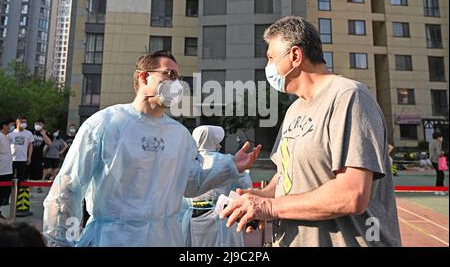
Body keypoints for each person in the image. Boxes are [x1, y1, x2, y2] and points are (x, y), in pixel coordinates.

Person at [43, 50, 261, 247]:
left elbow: (190, 183)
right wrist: (62, 241)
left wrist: (230, 165)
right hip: (114, 239)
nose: (176, 83)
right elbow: (68, 187)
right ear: (144, 76)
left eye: (179, 78)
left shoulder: (180, 135)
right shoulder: (105, 124)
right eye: (169, 74)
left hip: (166, 238)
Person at [220, 16, 401, 247]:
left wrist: (270, 207)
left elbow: (352, 194)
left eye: (271, 58)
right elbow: (287, 176)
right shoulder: (295, 109)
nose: (268, 67)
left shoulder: (349, 97)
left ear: (295, 56)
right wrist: (259, 197)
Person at [183, 125, 253, 247]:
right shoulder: (225, 160)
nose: (220, 144)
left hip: (192, 217)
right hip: (220, 218)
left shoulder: (189, 161)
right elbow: (244, 185)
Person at [8, 116, 34, 182]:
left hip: (23, 159)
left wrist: (29, 157)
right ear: (17, 123)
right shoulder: (11, 134)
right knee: (10, 177)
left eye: (25, 122)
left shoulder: (29, 133)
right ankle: (10, 191)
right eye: (22, 122)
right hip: (12, 159)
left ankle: (20, 191)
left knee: (22, 178)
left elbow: (30, 145)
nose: (24, 124)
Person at [30, 119, 52, 188]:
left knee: (36, 176)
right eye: (36, 124)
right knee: (28, 175)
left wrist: (44, 134)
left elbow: (49, 143)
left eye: (40, 124)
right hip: (29, 156)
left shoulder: (45, 133)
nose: (38, 125)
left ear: (43, 125)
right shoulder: (30, 132)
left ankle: (34, 189)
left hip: (39, 157)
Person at [0, 118, 14, 219]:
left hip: (8, 169)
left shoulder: (7, 137)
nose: (11, 127)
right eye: (11, 125)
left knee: (5, 193)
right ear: (4, 126)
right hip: (1, 170)